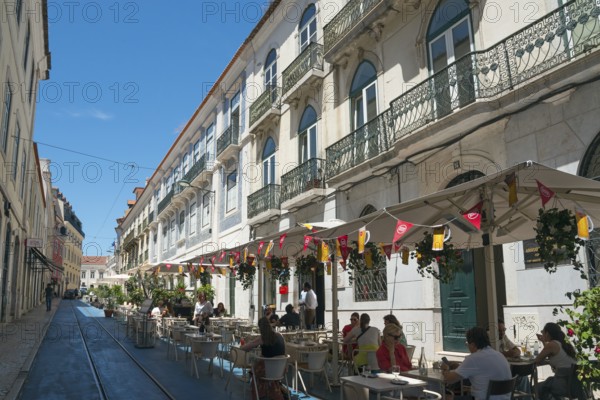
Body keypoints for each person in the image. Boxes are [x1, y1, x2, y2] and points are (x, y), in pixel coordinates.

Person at [442, 326, 512, 400]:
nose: (468, 347)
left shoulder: (473, 358)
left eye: (467, 344)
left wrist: (445, 369)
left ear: (472, 344)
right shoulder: (499, 355)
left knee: (445, 397)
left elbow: (449, 379)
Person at [241, 317, 286, 400]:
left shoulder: (262, 338)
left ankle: (258, 394)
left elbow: (245, 348)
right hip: (281, 370)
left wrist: (246, 343)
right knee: (260, 365)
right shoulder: (280, 336)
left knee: (253, 371)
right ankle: (273, 390)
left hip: (268, 371)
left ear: (260, 328)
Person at [535, 322, 579, 400]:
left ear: (547, 333)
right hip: (574, 384)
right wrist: (543, 342)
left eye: (543, 332)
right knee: (546, 385)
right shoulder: (564, 343)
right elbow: (553, 356)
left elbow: (537, 360)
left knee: (536, 388)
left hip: (562, 384)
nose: (542, 334)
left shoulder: (552, 345)